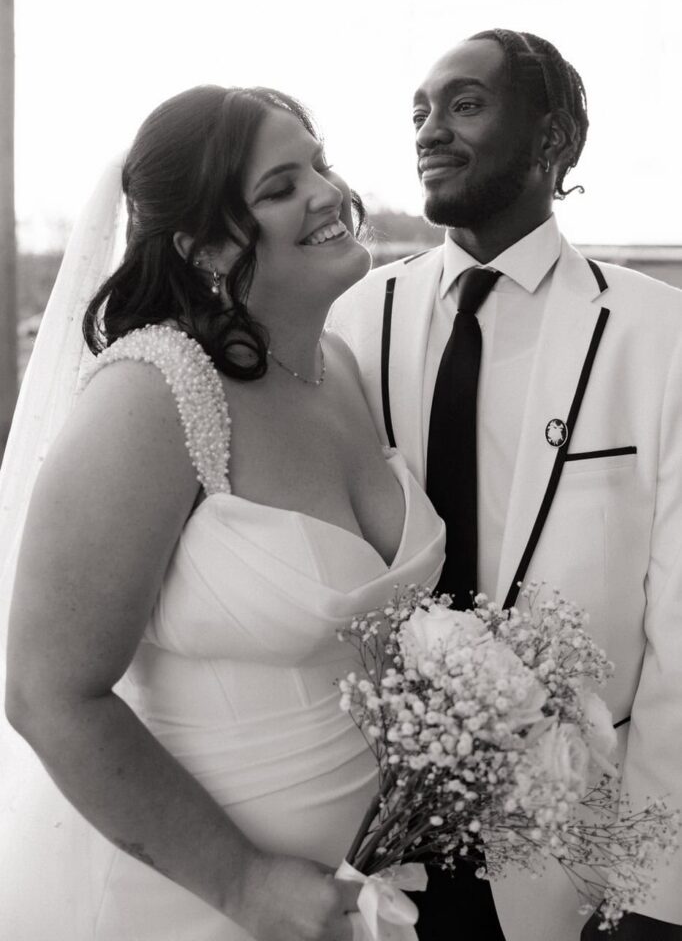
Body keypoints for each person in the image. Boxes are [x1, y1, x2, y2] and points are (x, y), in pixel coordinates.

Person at [0, 85, 445, 940]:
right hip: (198, 905)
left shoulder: (336, 365)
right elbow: (47, 694)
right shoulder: (151, 393)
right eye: (281, 187)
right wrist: (245, 885)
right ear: (201, 245)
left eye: (318, 163)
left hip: (357, 893)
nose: (327, 192)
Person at [331, 29, 682, 941]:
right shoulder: (353, 322)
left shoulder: (661, 336)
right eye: (419, 111)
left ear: (554, 138)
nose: (429, 130)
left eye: (465, 105)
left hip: (576, 860)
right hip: (370, 852)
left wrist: (656, 892)